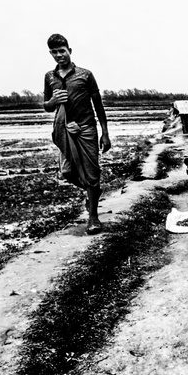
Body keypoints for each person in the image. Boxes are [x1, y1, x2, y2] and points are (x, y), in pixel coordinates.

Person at [43, 34, 110, 235]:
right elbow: (46, 106)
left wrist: (105, 133)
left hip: (86, 128)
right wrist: (53, 101)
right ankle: (92, 192)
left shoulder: (85, 75)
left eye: (62, 51)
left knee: (91, 172)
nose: (59, 55)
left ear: (69, 51)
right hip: (64, 130)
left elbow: (98, 105)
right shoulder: (49, 77)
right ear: (50, 54)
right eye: (54, 52)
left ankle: (93, 217)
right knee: (67, 171)